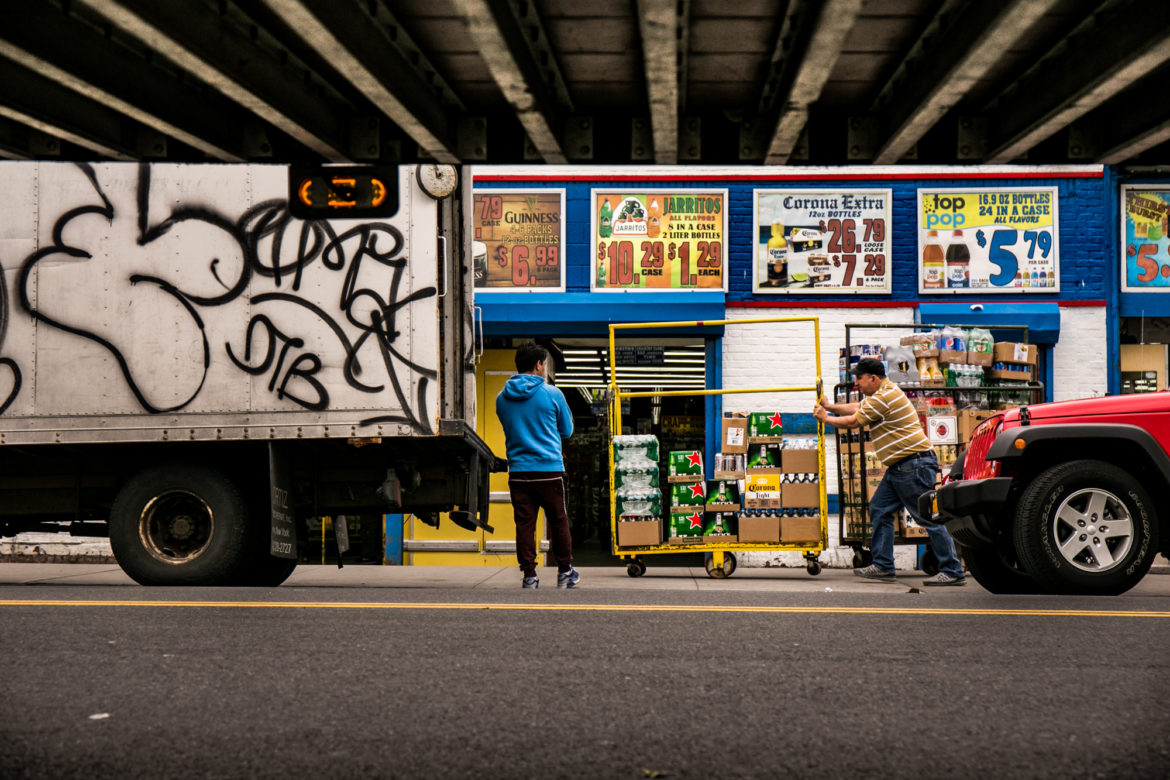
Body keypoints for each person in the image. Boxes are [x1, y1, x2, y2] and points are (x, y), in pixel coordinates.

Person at [813, 357, 966, 586]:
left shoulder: (884, 397)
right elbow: (857, 407)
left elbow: (854, 421)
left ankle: (953, 570)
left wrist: (826, 419)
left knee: (927, 517)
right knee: (880, 509)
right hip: (901, 466)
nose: (857, 384)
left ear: (873, 378)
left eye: (859, 379)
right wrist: (830, 406)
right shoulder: (881, 394)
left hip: (912, 464)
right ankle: (884, 565)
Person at [495, 342, 579, 589]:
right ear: (538, 365)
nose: (545, 368)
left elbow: (509, 428)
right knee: (558, 520)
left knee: (524, 524)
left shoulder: (502, 398)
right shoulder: (552, 394)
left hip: (519, 471)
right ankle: (565, 572)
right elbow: (567, 430)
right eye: (545, 364)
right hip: (549, 470)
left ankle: (529, 575)